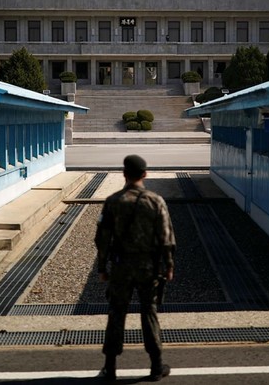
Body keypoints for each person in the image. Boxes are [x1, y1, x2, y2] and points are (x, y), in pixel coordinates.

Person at [95, 155, 175, 382]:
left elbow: (102, 238)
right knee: (149, 312)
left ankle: (110, 367)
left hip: (121, 266)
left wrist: (102, 267)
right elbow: (166, 236)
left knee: (116, 312)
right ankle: (156, 365)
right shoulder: (155, 200)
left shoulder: (113, 201)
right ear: (145, 174)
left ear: (124, 174)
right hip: (148, 267)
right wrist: (168, 265)